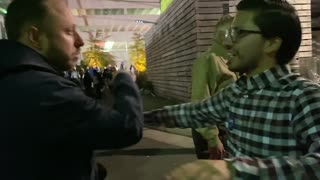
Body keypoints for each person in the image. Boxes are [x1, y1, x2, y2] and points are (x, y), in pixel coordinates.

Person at [145, 0, 320, 179]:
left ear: (271, 43)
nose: (228, 43)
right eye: (229, 33)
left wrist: (236, 170)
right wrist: (139, 119)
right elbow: (196, 112)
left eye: (239, 33)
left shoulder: (305, 97)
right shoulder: (237, 92)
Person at [0, 0, 143, 180]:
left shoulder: (11, 78)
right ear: (35, 37)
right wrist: (125, 79)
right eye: (68, 31)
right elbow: (127, 127)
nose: (80, 41)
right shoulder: (47, 90)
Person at [191, 15, 237, 160]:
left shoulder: (231, 60)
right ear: (224, 34)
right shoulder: (208, 60)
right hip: (215, 134)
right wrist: (212, 138)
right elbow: (199, 101)